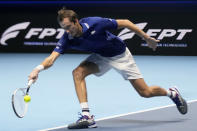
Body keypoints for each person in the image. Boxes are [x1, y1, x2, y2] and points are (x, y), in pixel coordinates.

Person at [28, 7, 188, 129]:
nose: (68, 31)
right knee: (77, 73)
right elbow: (52, 58)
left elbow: (125, 22)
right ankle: (86, 116)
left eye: (69, 26)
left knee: (145, 92)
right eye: (64, 28)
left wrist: (146, 38)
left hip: (120, 55)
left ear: (76, 21)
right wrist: (37, 69)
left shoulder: (95, 22)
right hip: (101, 57)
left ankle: (171, 93)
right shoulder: (67, 38)